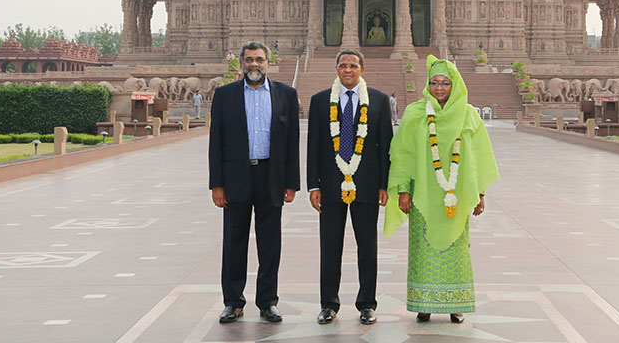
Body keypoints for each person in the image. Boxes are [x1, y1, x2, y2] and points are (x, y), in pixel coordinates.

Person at [384, 55, 499, 324]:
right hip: (423, 193)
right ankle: (423, 302)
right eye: (434, 82)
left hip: (456, 197)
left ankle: (456, 303)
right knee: (423, 249)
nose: (439, 88)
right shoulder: (416, 113)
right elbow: (403, 155)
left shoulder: (468, 115)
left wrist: (479, 192)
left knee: (457, 249)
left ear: (455, 85)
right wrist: (402, 189)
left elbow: (479, 155)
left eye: (445, 83)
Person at [208, 41, 300, 324]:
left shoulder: (285, 94)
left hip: (270, 175)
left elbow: (292, 142)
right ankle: (233, 301)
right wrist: (217, 184)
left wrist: (291, 183)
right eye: (249, 60)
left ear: (267, 63)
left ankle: (267, 301)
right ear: (241, 63)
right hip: (237, 176)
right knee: (234, 240)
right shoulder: (225, 95)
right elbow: (216, 143)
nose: (254, 65)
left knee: (270, 241)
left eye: (259, 60)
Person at [307, 49, 392, 325]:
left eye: (353, 65)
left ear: (361, 70)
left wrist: (384, 185)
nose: (347, 70)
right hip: (330, 185)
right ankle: (328, 303)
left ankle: (367, 303)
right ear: (336, 68)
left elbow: (385, 147)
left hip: (366, 185)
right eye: (343, 65)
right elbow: (314, 147)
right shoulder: (320, 101)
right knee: (330, 246)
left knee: (367, 246)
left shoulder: (378, 101)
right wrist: (312, 186)